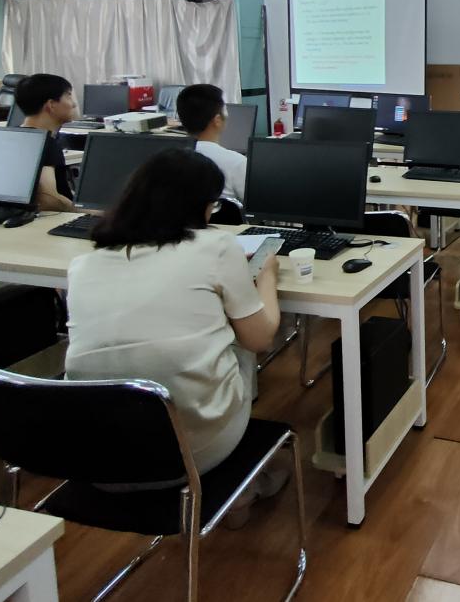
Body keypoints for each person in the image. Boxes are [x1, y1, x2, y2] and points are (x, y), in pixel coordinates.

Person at [65, 149, 283, 516]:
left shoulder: (82, 265)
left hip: (95, 456)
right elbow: (261, 339)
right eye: (212, 205)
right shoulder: (217, 246)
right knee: (240, 339)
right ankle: (244, 488)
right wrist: (267, 275)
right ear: (199, 206)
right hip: (192, 453)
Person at [15, 73, 77, 212]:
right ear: (51, 105)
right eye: (68, 96)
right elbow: (47, 199)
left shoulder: (14, 136)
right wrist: (89, 212)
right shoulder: (46, 143)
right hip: (54, 218)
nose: (73, 104)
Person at [177, 83, 246, 210]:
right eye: (225, 109)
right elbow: (257, 207)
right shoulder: (237, 162)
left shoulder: (173, 160)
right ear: (217, 120)